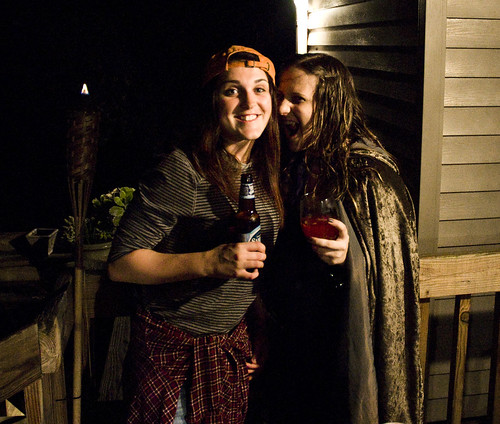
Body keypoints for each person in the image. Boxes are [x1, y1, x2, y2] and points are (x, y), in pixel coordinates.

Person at [107, 45, 285, 424]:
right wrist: (208, 261)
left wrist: (259, 324)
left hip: (231, 346)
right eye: (231, 90)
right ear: (213, 102)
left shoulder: (264, 168)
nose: (249, 102)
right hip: (175, 352)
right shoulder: (183, 170)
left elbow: (253, 264)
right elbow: (122, 264)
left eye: (260, 89)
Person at [254, 53, 423, 423]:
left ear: (329, 105)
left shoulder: (367, 176)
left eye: (296, 99)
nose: (281, 108)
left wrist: (349, 258)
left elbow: (385, 276)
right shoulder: (293, 162)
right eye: (280, 96)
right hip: (292, 350)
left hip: (338, 351)